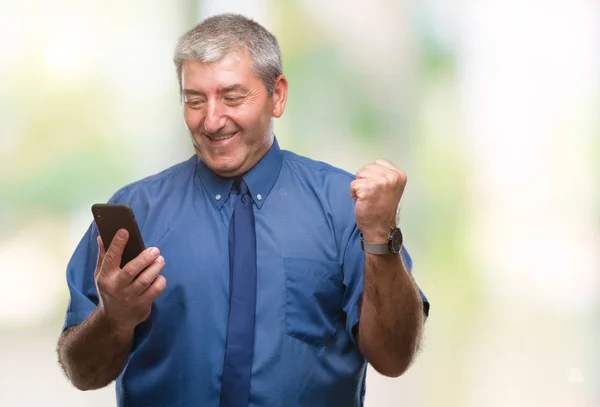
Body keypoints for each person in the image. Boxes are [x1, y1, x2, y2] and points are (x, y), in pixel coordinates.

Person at [57, 13, 429, 407]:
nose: (212, 120)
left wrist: (380, 238)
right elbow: (83, 373)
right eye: (194, 100)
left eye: (232, 97)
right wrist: (114, 318)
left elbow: (393, 358)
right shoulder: (135, 213)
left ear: (278, 95)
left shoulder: (345, 207)